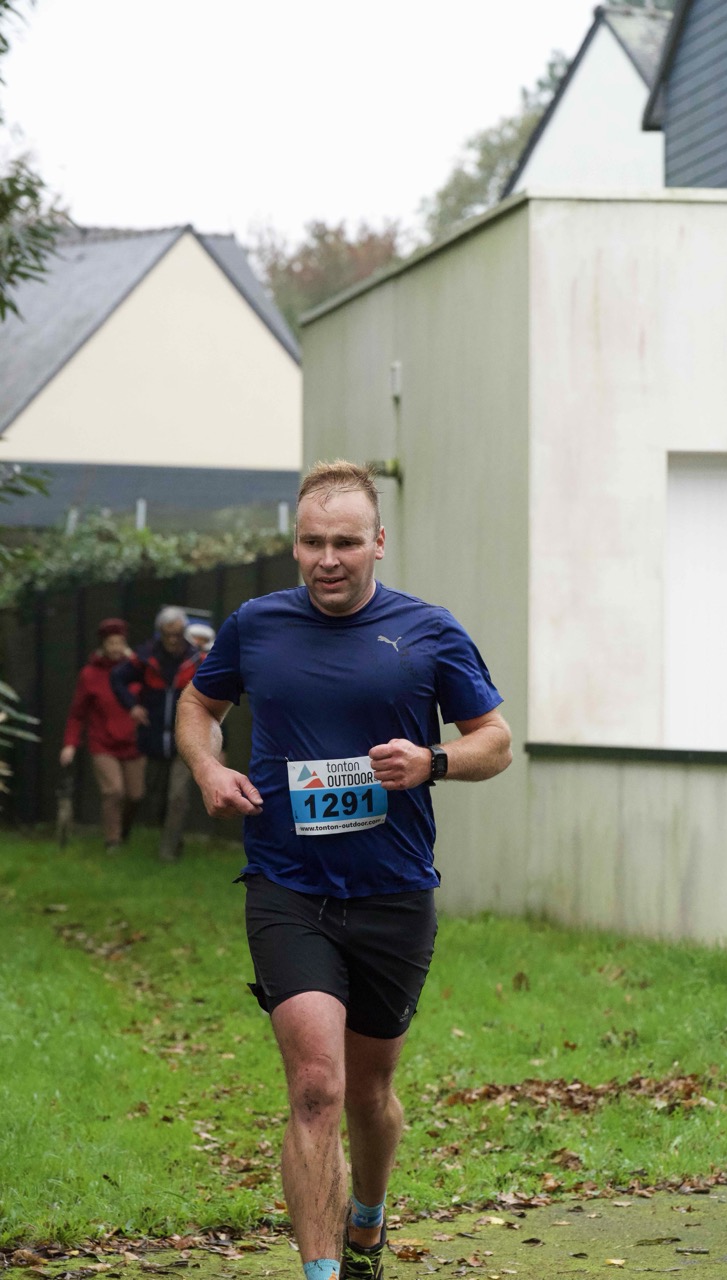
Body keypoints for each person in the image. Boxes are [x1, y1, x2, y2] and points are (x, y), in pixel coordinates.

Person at [176, 460, 512, 1280]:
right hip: (287, 887)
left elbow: (496, 742)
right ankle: (321, 1272)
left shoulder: (428, 631)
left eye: (346, 543)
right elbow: (197, 704)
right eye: (312, 542)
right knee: (316, 1087)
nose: (328, 559)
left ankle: (368, 1217)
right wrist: (208, 768)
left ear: (378, 543)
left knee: (368, 1093)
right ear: (295, 544)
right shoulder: (256, 625)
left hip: (393, 892)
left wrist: (431, 761)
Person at [111, 605, 202, 862]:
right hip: (153, 738)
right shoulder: (145, 657)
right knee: (156, 797)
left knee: (178, 796)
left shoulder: (198, 660)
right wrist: (132, 706)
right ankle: (173, 837)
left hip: (186, 739)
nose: (173, 640)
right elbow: (117, 678)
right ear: (159, 632)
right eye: (167, 634)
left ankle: (167, 852)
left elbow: (216, 697)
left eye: (177, 634)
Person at [59, 617, 145, 852]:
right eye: (111, 643)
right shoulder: (89, 674)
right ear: (103, 645)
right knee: (113, 791)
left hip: (134, 742)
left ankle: (124, 830)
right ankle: (112, 840)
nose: (115, 648)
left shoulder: (137, 670)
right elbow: (77, 714)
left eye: (119, 642)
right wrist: (70, 744)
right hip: (102, 743)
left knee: (135, 795)